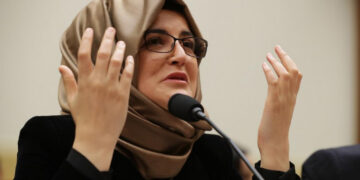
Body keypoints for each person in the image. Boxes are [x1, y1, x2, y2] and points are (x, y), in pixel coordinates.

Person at [14, 0, 302, 179]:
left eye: (188, 44)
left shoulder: (211, 153)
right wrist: (93, 147)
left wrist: (275, 146)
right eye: (155, 41)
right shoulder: (52, 139)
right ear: (105, 54)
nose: (180, 56)